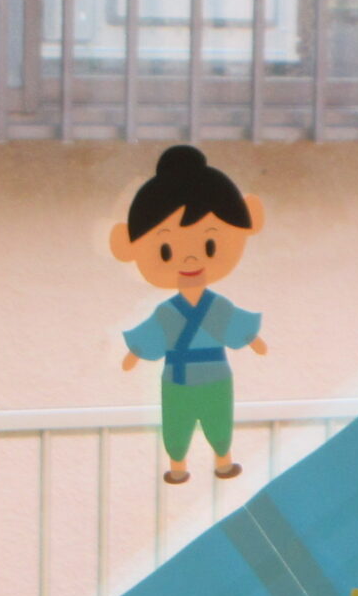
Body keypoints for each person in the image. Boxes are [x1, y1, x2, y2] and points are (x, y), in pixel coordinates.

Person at [111, 144, 270, 485]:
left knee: (218, 419)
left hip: (215, 376)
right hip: (177, 378)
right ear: (126, 245)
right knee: (178, 421)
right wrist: (135, 352)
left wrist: (252, 339)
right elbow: (152, 335)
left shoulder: (217, 307)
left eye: (210, 246)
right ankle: (178, 464)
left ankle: (223, 458)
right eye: (166, 251)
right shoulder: (167, 312)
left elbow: (235, 326)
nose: (189, 260)